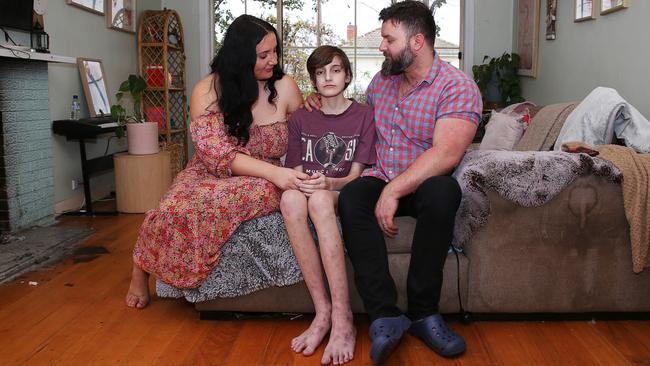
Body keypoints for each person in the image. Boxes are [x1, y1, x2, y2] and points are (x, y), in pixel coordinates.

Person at [306, 2, 481, 364]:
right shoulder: (381, 83)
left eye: (388, 39)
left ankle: (423, 313)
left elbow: (446, 154)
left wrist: (394, 189)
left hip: (425, 184)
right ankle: (384, 314)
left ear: (417, 42)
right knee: (354, 197)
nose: (381, 46)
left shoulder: (457, 87)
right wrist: (321, 105)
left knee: (444, 191)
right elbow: (354, 121)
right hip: (380, 174)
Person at [125, 14, 308, 308]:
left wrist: (317, 106)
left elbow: (307, 133)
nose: (273, 60)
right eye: (263, 55)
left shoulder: (285, 86)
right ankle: (141, 265)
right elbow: (217, 155)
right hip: (211, 171)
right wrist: (276, 174)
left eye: (275, 52)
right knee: (174, 207)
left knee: (258, 191)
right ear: (240, 57)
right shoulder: (206, 90)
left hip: (265, 177)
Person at [281, 45, 376, 365]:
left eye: (335, 70)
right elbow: (295, 172)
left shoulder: (364, 115)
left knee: (320, 199)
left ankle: (343, 316)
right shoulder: (300, 119)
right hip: (309, 187)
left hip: (338, 190)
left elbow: (354, 178)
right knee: (290, 199)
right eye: (320, 73)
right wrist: (306, 183)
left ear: (347, 76)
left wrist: (327, 184)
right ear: (313, 81)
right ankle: (322, 312)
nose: (328, 77)